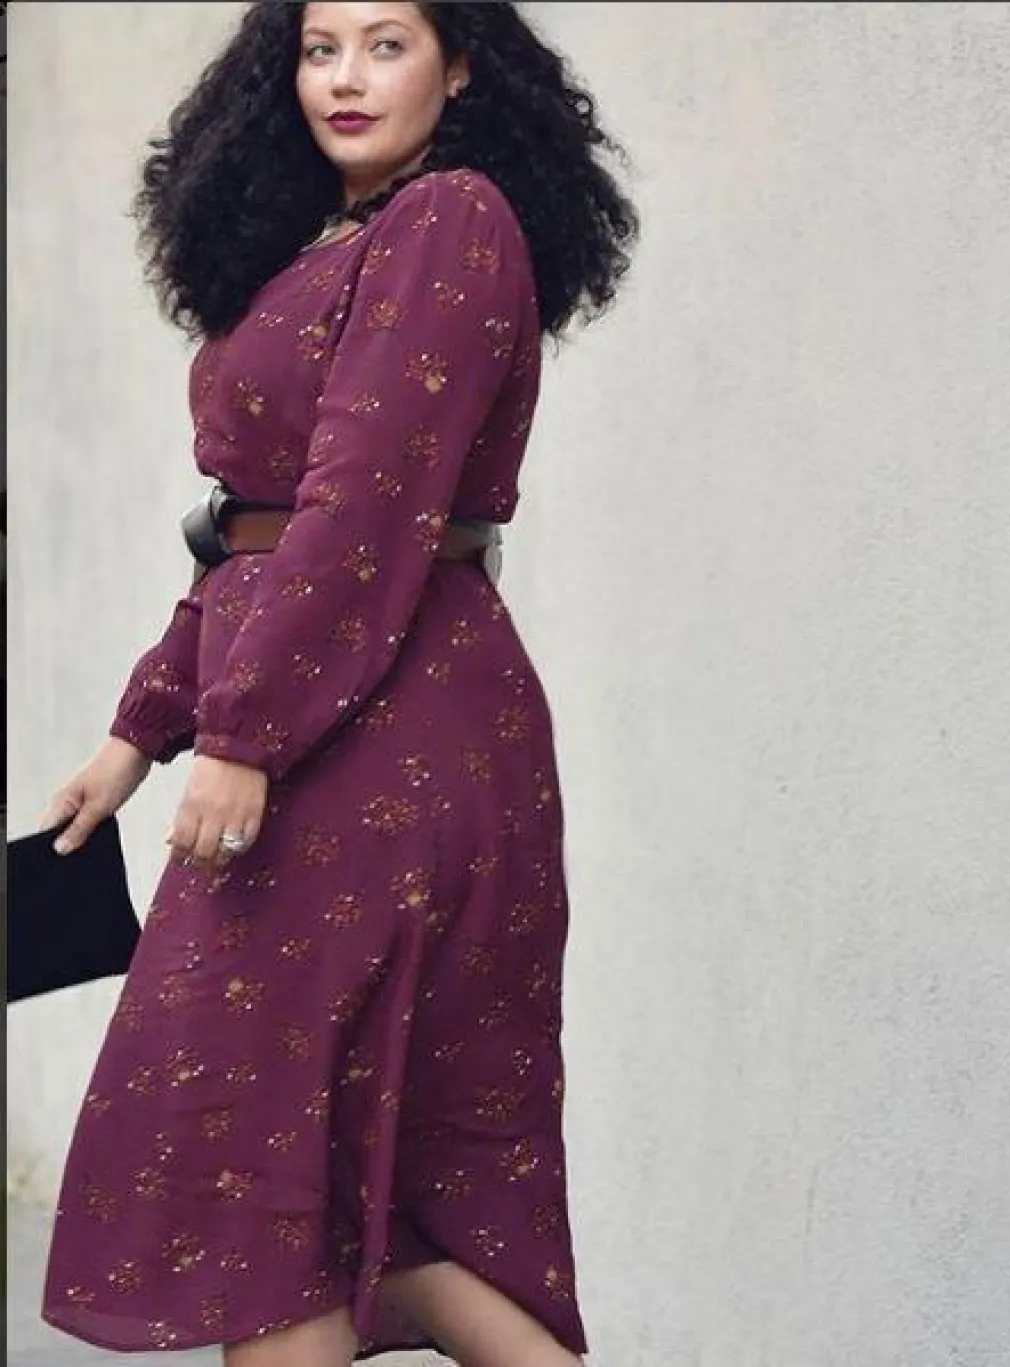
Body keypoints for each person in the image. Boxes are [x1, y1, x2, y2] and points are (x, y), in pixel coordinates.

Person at [37, 4, 638, 1365]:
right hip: (318, 702)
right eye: (320, 49)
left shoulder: (450, 219)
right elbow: (250, 531)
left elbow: (362, 510)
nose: (346, 80)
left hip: (389, 729)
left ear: (461, 66)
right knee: (298, 1175)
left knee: (262, 1150)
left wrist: (238, 738)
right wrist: (142, 731)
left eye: (386, 44)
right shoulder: (333, 241)